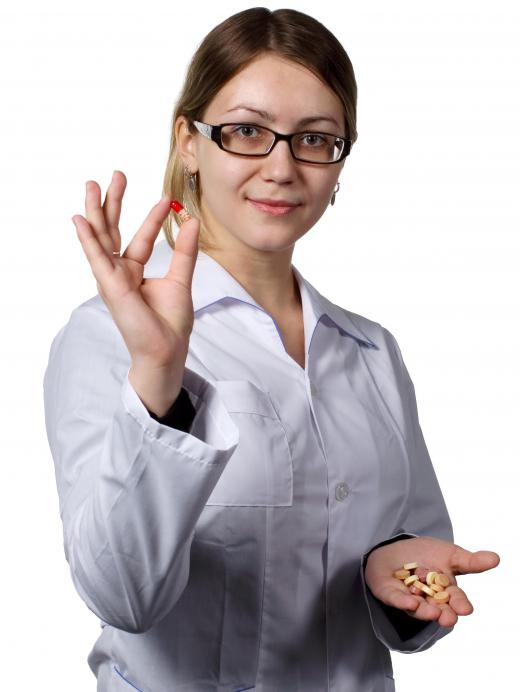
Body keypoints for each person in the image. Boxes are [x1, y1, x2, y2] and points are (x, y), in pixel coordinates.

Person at [43, 7, 500, 692]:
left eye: (315, 138)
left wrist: (396, 573)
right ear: (189, 141)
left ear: (340, 161)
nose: (282, 167)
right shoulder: (108, 336)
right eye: (247, 132)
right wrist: (159, 380)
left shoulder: (371, 352)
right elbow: (122, 598)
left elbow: (414, 539)